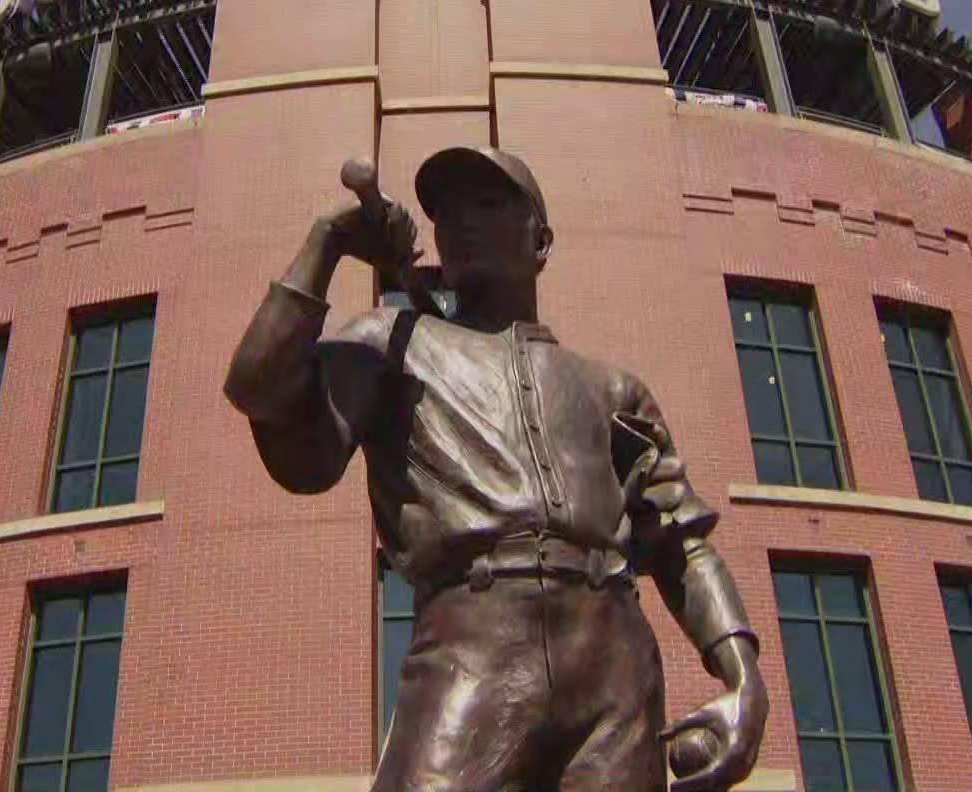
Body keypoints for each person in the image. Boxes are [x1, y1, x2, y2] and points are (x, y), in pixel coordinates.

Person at [224, 146, 768, 792]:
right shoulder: (393, 343)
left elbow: (681, 542)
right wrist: (330, 241)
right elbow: (259, 387)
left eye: (488, 204)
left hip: (614, 664)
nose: (464, 223)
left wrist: (742, 677)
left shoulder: (611, 389)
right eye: (448, 213)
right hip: (472, 649)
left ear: (541, 240)